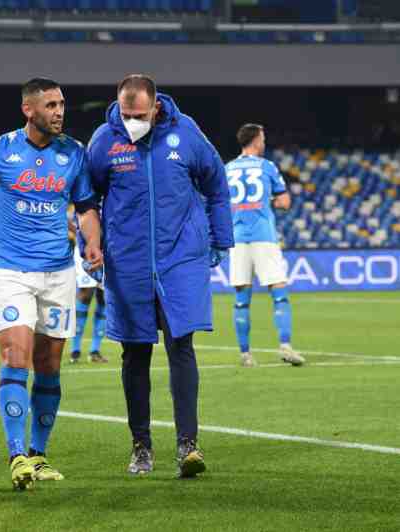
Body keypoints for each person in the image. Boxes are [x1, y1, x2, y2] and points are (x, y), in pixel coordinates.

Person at [0, 78, 102, 490]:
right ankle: (16, 454)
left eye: (62, 104)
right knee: (16, 359)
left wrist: (93, 241)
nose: (59, 112)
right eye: (51, 105)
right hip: (12, 270)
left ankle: (38, 455)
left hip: (58, 272)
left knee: (50, 366)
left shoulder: (74, 153)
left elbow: (87, 208)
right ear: (28, 110)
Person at [86, 74, 234, 478]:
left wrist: (221, 238)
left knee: (181, 346)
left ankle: (188, 445)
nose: (131, 120)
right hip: (127, 262)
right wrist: (93, 243)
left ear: (156, 107)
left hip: (180, 259)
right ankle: (141, 446)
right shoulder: (105, 139)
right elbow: (86, 198)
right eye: (125, 113)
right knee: (135, 353)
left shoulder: (186, 133)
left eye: (138, 114)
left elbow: (216, 184)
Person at [225, 124, 305, 367]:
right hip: (263, 235)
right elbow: (284, 201)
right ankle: (285, 346)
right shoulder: (266, 166)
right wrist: (270, 200)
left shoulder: (227, 168)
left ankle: (245, 354)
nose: (265, 142)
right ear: (256, 140)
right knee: (279, 292)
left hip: (237, 237)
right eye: (263, 138)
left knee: (241, 297)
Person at [70, 216, 108, 364]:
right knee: (85, 294)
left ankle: (94, 350)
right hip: (86, 249)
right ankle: (75, 350)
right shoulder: (87, 195)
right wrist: (83, 234)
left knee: (104, 296)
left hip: (107, 248)